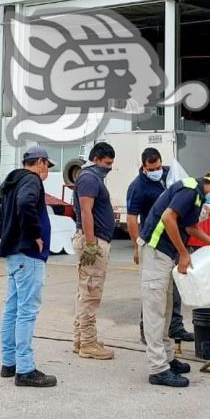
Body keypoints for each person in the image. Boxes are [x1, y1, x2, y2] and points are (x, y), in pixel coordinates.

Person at [138, 170, 210, 387]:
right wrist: (183, 253)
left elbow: (189, 227)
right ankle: (158, 368)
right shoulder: (190, 189)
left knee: (167, 307)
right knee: (155, 310)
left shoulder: (198, 196)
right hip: (156, 249)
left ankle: (168, 358)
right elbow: (168, 217)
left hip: (166, 253)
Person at [0, 146, 57, 388]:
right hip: (28, 254)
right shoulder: (31, 180)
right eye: (47, 166)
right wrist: (35, 234)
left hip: (14, 253)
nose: (47, 172)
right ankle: (25, 369)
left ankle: (9, 362)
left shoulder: (13, 181)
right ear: (40, 162)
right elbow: (26, 204)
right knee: (27, 311)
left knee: (12, 308)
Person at [125, 147, 193, 343]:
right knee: (154, 290)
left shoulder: (171, 175)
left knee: (176, 286)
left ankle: (175, 326)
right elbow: (131, 219)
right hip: (154, 243)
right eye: (151, 168)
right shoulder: (138, 186)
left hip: (175, 240)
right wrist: (137, 246)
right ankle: (146, 329)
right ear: (144, 167)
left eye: (158, 167)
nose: (156, 171)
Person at [71, 141, 116, 360]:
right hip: (94, 241)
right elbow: (86, 212)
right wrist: (91, 244)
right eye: (107, 163)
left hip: (94, 239)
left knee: (85, 290)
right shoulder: (89, 179)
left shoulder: (90, 177)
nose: (109, 167)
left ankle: (81, 338)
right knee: (91, 291)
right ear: (96, 159)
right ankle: (87, 343)